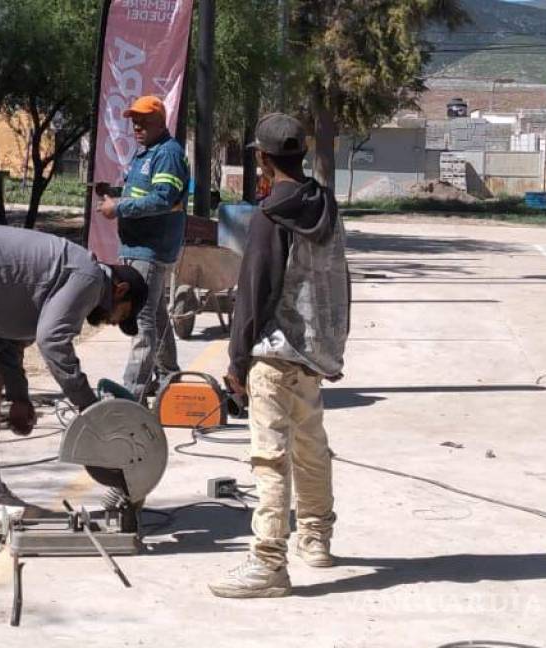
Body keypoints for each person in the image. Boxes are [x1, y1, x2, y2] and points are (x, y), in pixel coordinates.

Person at [0, 226, 148, 539]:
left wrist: (20, 397)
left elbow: (8, 341)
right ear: (119, 290)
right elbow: (52, 341)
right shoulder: (89, 278)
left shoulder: (77, 278)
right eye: (121, 315)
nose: (113, 322)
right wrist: (89, 407)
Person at [208, 113, 351, 598]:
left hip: (273, 354)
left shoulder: (270, 215)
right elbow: (339, 280)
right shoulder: (326, 205)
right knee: (311, 448)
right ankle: (316, 538)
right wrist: (332, 344)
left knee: (270, 459)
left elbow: (254, 291)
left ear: (264, 159)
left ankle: (269, 564)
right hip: (312, 352)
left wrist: (236, 359)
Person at [98, 95, 189, 400]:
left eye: (144, 120)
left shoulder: (167, 154)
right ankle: (169, 378)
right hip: (138, 248)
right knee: (157, 315)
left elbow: (164, 198)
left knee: (142, 320)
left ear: (160, 121)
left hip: (150, 250)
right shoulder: (146, 154)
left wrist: (120, 206)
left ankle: (131, 393)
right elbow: (147, 194)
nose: (137, 126)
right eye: (134, 120)